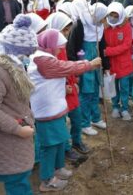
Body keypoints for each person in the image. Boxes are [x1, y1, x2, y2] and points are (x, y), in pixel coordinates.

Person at [28, 29, 101, 192]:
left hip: (56, 107)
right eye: (58, 46)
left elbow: (58, 72)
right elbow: (65, 67)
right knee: (49, 146)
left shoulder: (47, 57)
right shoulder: (41, 59)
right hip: (46, 111)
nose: (60, 50)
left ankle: (58, 168)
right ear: (49, 44)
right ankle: (47, 180)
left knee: (61, 140)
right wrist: (89, 64)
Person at [0, 15, 37, 195]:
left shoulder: (9, 65)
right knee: (17, 182)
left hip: (14, 131)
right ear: (12, 50)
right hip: (7, 137)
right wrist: (18, 129)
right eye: (25, 54)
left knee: (18, 179)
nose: (27, 58)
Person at [46, 12, 91, 161]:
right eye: (64, 29)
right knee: (62, 123)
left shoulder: (63, 45)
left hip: (70, 89)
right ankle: (66, 148)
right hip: (59, 92)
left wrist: (73, 81)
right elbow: (52, 73)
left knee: (76, 118)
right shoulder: (47, 50)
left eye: (68, 30)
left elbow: (67, 65)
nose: (67, 33)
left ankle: (76, 141)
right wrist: (64, 86)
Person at [71, 0, 109, 135]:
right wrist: (75, 71)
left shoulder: (99, 26)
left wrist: (105, 66)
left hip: (96, 62)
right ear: (98, 15)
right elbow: (72, 47)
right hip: (84, 62)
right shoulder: (81, 25)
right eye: (104, 17)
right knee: (85, 93)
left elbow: (102, 46)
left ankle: (95, 118)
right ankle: (84, 123)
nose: (106, 20)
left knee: (94, 92)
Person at [104, 2, 133, 121]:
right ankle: (115, 106)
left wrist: (109, 51)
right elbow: (103, 44)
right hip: (111, 64)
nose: (113, 18)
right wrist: (106, 52)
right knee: (113, 87)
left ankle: (125, 108)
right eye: (111, 15)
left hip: (124, 63)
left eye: (116, 15)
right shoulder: (105, 27)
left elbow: (126, 45)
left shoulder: (126, 27)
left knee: (125, 87)